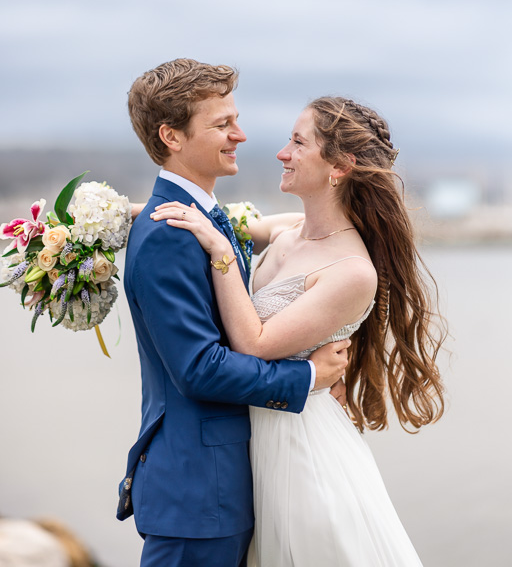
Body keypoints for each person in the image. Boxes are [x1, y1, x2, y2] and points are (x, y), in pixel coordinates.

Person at [153, 95, 445, 566]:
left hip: (302, 451)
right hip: (258, 439)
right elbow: (199, 215)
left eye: (297, 142)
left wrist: (220, 254)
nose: (281, 153)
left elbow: (255, 344)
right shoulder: (290, 229)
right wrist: (95, 222)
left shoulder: (352, 271)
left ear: (341, 166)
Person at [118, 60, 350, 567]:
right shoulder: (169, 238)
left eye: (235, 120)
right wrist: (308, 375)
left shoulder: (202, 220)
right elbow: (199, 368)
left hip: (221, 489)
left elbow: (314, 232)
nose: (240, 135)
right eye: (222, 125)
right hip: (198, 496)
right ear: (171, 137)